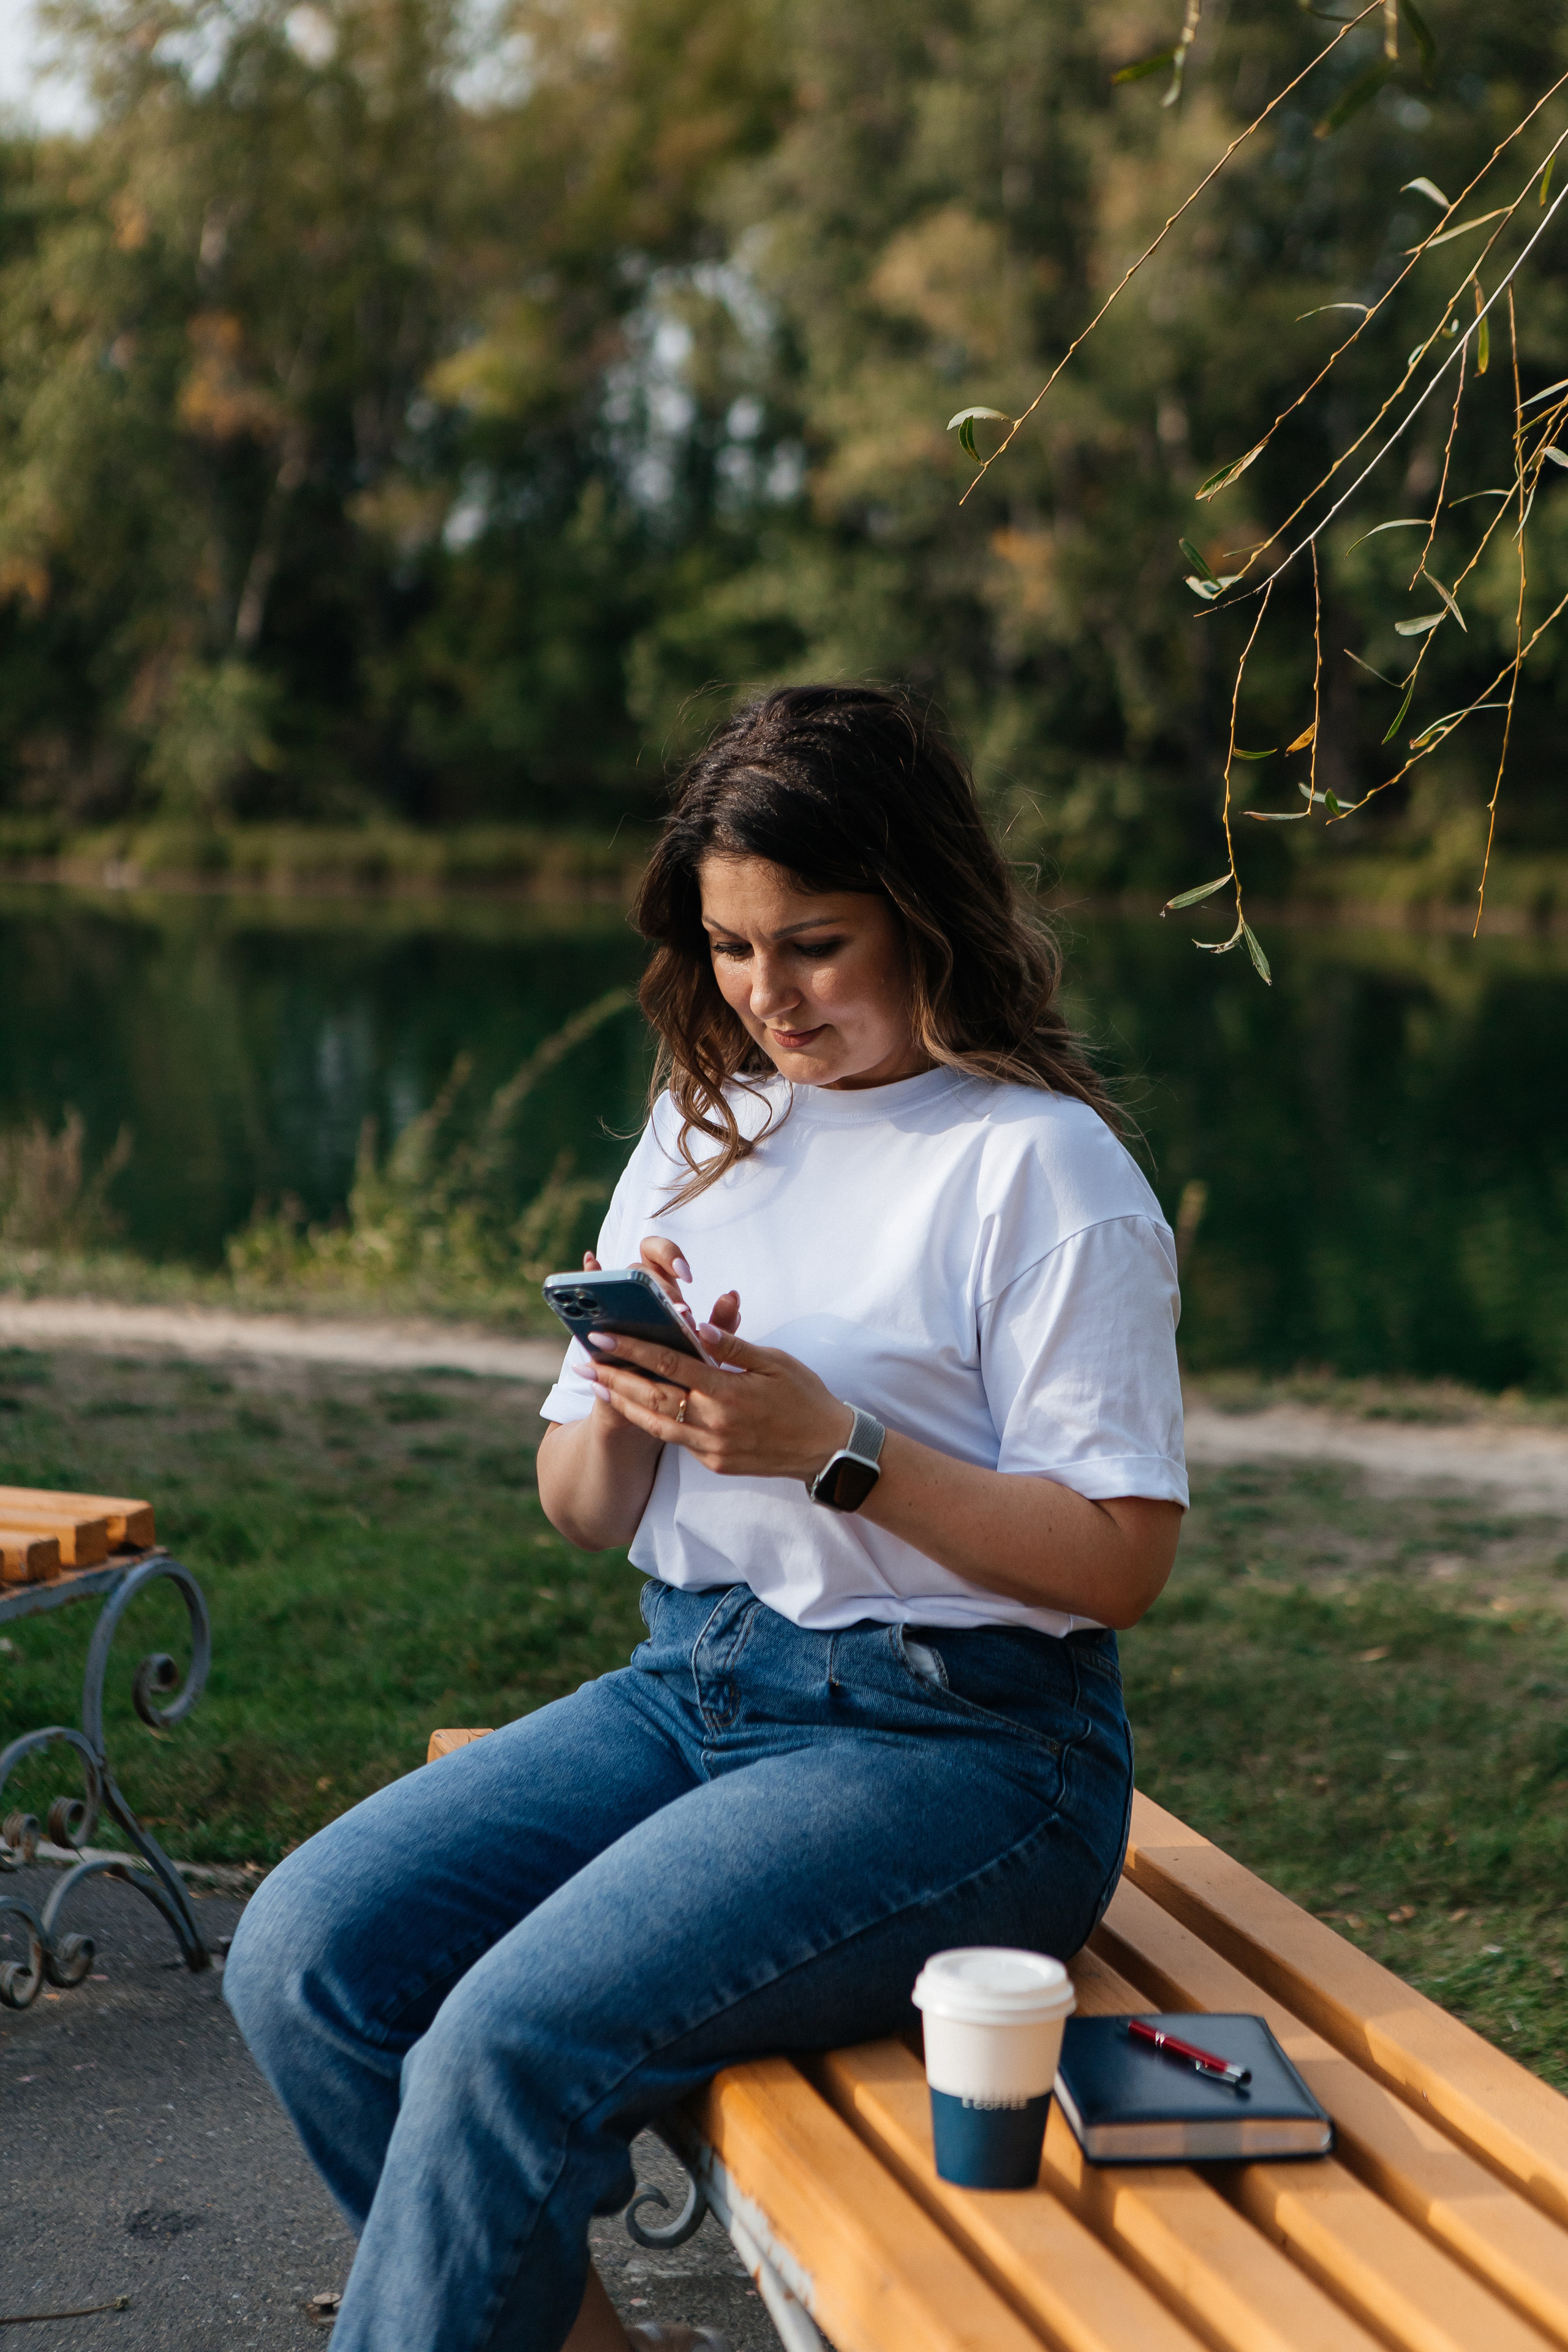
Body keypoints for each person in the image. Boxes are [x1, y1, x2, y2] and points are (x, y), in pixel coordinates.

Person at [224, 684, 1186, 2352]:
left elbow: (1122, 1557)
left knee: (500, 2043)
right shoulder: (703, 1120)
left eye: (813, 944)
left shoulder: (1044, 1170)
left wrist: (837, 1448)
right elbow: (584, 1514)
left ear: (926, 910)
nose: (770, 996)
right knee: (304, 1956)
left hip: (961, 1758)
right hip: (702, 1688)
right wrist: (624, 1392)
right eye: (733, 948)